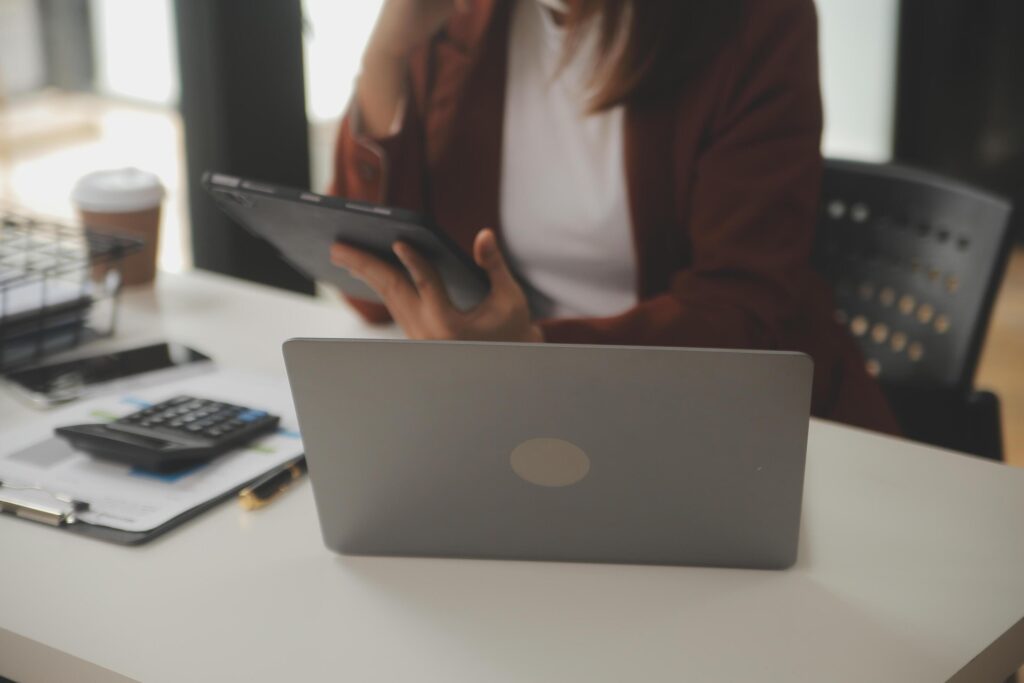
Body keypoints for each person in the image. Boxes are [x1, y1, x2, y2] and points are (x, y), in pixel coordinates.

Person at [327, 0, 900, 434]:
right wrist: (385, 57)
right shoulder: (465, 17)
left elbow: (742, 310)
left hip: (716, 419)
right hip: (513, 408)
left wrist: (531, 349)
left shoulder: (755, 22)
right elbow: (373, 293)